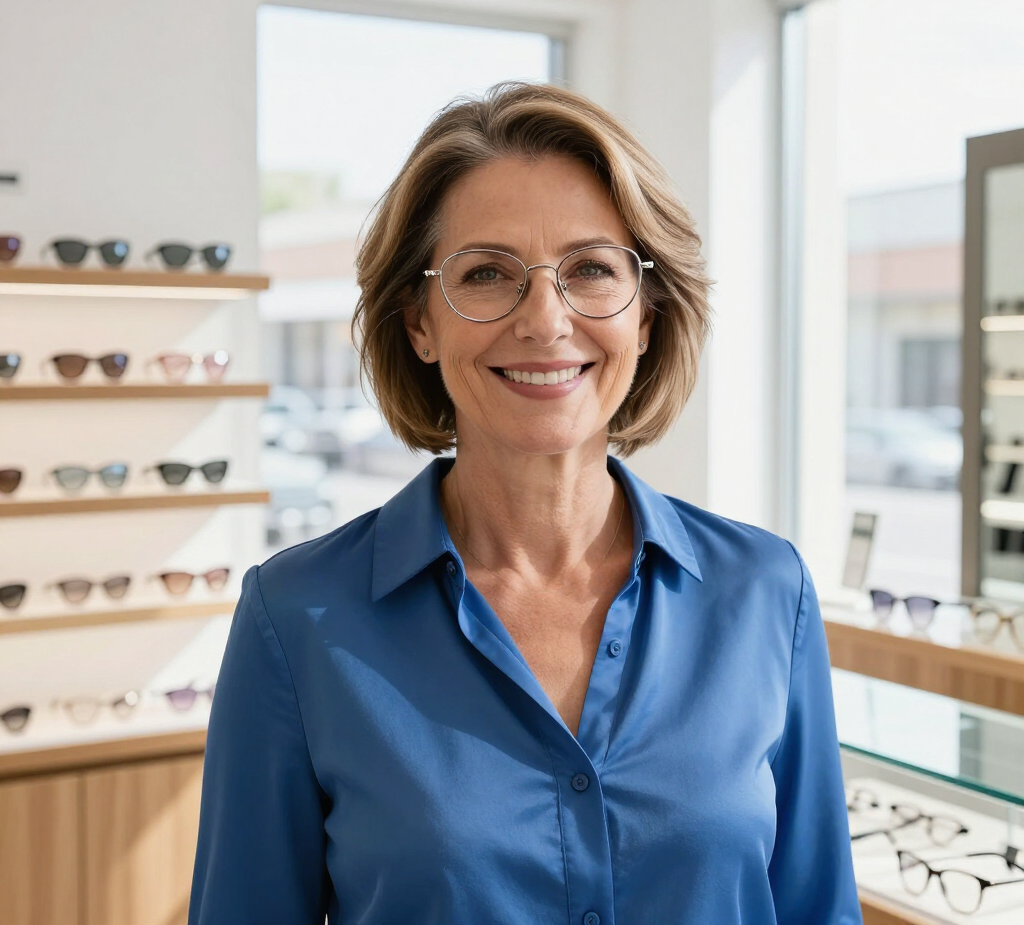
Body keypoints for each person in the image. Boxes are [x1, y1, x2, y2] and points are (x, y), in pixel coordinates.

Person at [188, 81, 862, 925]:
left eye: (590, 269)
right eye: (486, 274)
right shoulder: (296, 620)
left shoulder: (766, 591)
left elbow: (817, 908)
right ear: (420, 325)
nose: (546, 321)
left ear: (646, 315)